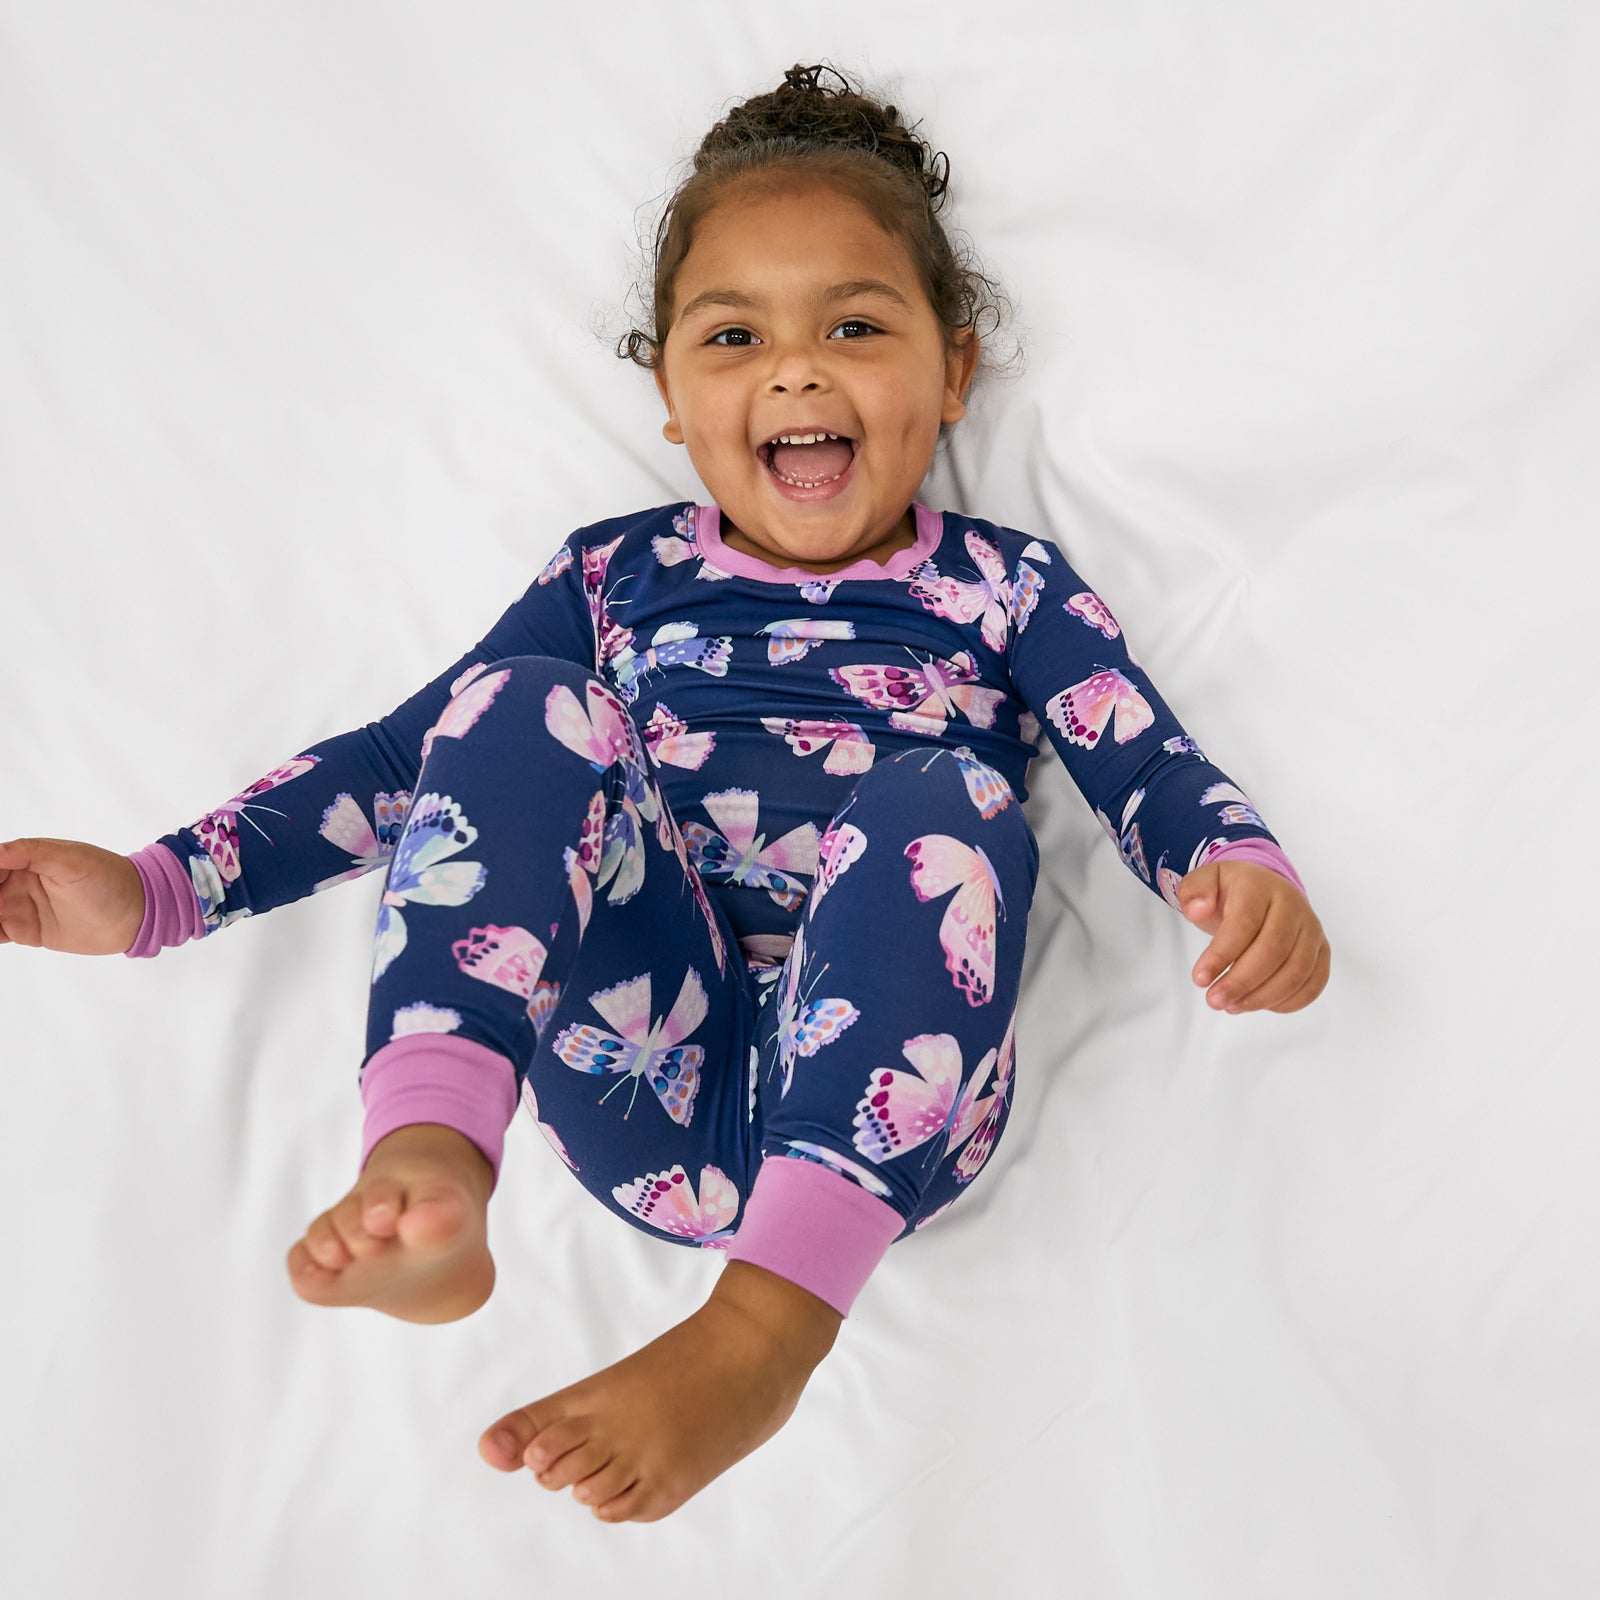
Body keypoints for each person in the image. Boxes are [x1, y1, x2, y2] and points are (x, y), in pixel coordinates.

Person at [0, 61, 1330, 1525]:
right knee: (515, 709)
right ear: (672, 400)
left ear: (953, 375)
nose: (797, 368)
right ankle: (436, 1159)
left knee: (945, 796)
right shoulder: (616, 576)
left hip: (890, 1103)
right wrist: (158, 887)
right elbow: (408, 770)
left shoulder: (1001, 587)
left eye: (856, 327)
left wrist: (1239, 866)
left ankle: (761, 1335)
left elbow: (1135, 753)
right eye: (736, 334)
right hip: (646, 1068)